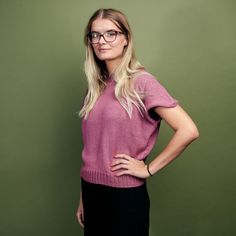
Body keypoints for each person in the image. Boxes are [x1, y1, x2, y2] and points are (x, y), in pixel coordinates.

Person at [76, 8, 199, 236]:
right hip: (91, 191)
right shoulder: (95, 88)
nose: (102, 41)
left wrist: (148, 170)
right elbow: (92, 148)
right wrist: (84, 198)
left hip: (124, 197)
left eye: (111, 33)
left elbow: (188, 130)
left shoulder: (142, 83)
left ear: (126, 38)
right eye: (95, 35)